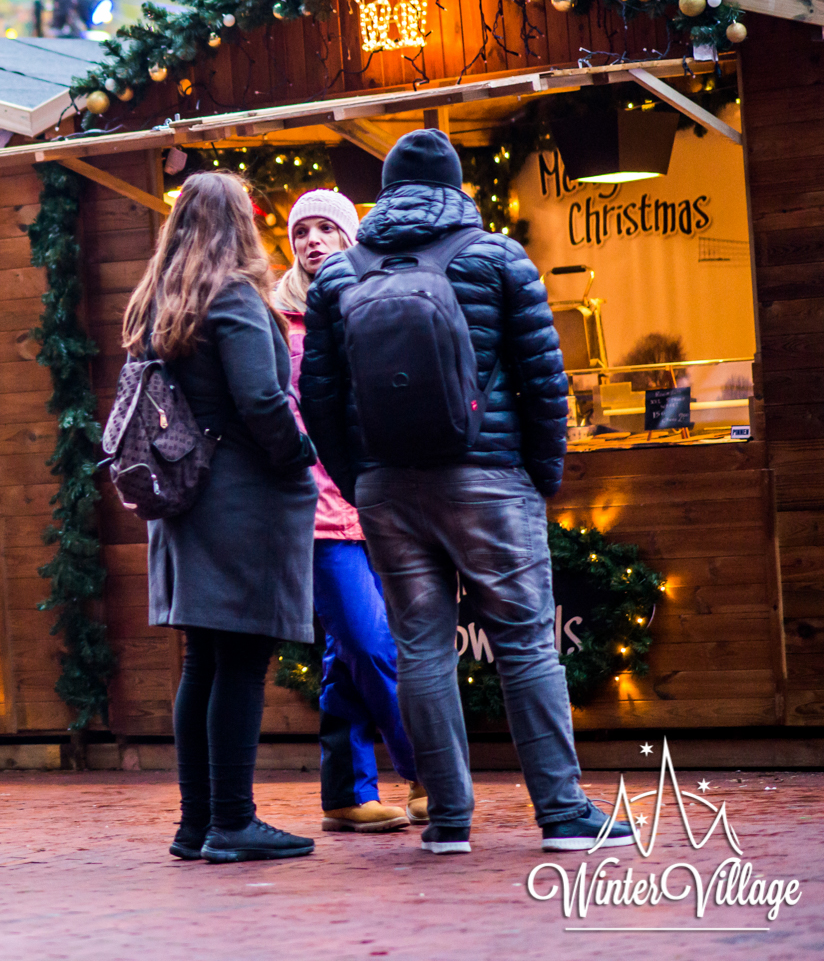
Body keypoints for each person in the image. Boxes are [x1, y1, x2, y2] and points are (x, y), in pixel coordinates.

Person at [300, 129, 631, 856]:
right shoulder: (496, 256)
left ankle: (448, 820)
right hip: (491, 480)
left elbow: (316, 397)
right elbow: (546, 381)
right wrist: (539, 474)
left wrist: (360, 480)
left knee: (419, 649)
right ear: (455, 186)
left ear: (384, 193)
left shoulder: (338, 277)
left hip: (387, 488)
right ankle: (563, 812)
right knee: (524, 644)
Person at [135, 172, 320, 864]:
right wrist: (299, 453)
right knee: (241, 658)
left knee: (205, 662)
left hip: (185, 499)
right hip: (241, 498)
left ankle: (198, 823)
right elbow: (263, 400)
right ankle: (234, 821)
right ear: (240, 224)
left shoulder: (162, 301)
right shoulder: (235, 297)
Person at [273, 189, 422, 834]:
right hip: (316, 510)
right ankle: (430, 773)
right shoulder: (276, 319)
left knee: (346, 652)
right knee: (371, 643)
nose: (312, 241)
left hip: (378, 501)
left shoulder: (367, 305)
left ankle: (344, 793)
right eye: (302, 231)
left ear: (349, 237)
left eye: (325, 229)